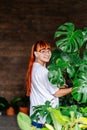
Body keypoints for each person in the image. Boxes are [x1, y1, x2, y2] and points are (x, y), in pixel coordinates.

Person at [26, 40, 72, 128]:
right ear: (36, 54)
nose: (47, 54)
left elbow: (42, 86)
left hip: (36, 118)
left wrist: (58, 85)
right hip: (45, 121)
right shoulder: (43, 71)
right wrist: (74, 89)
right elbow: (56, 93)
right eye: (43, 51)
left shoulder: (34, 67)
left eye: (48, 51)